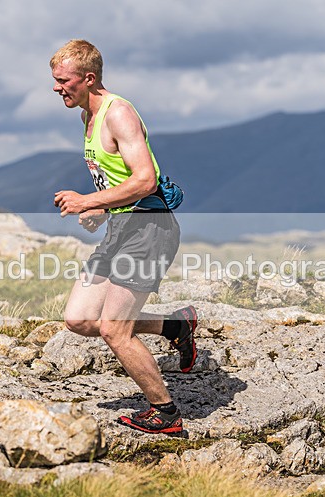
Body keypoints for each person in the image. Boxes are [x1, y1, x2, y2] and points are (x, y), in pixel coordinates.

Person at [50, 39, 198, 435]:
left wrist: (87, 201)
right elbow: (122, 181)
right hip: (123, 226)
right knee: (80, 318)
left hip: (149, 231)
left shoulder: (119, 114)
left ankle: (165, 414)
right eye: (55, 80)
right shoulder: (88, 115)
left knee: (116, 329)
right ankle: (175, 326)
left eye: (63, 80)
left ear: (89, 78)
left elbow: (145, 179)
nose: (56, 87)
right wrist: (102, 209)